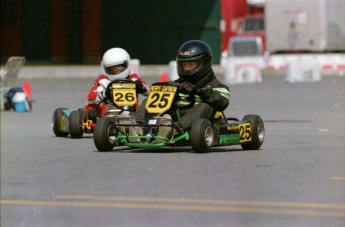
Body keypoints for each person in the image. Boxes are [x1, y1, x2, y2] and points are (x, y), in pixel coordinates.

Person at [127, 40, 230, 141]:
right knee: (149, 101)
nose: (187, 69)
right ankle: (137, 126)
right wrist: (144, 89)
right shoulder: (178, 83)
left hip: (198, 121)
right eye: (184, 65)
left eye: (191, 65)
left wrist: (198, 90)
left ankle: (172, 130)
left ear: (204, 64)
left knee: (205, 106)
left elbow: (222, 101)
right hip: (174, 116)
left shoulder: (215, 85)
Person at [86, 47, 150, 118]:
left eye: (119, 66)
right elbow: (91, 98)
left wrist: (142, 86)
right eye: (113, 67)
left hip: (133, 113)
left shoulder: (133, 79)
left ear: (126, 65)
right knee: (102, 108)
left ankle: (144, 124)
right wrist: (105, 93)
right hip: (111, 112)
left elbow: (149, 92)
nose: (116, 70)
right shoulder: (103, 81)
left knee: (148, 102)